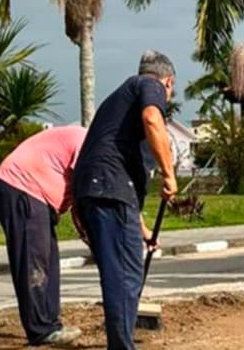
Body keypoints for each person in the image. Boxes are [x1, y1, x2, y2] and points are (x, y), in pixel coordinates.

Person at [73, 50, 178, 350]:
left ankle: (121, 340)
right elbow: (152, 118)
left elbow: (128, 193)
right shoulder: (148, 85)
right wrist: (169, 175)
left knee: (123, 270)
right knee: (125, 274)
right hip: (107, 189)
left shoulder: (120, 106)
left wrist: (142, 230)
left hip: (99, 190)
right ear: (168, 81)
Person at [0, 125, 88, 346]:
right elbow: (84, 194)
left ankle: (51, 324)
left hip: (34, 195)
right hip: (21, 188)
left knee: (49, 261)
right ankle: (40, 330)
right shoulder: (87, 141)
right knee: (33, 261)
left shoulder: (88, 142)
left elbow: (79, 206)